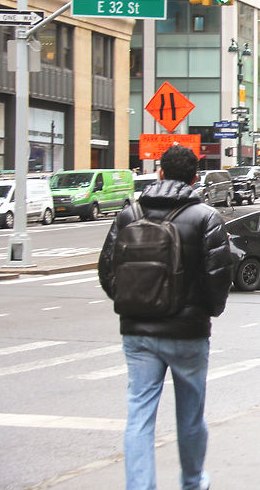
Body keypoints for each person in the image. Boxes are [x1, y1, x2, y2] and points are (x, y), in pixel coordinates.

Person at [97, 145, 232, 490]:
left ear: (159, 173)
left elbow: (107, 270)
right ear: (194, 177)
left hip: (137, 331)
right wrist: (207, 313)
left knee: (139, 416)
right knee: (190, 416)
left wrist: (132, 303)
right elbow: (218, 276)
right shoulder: (205, 217)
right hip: (188, 332)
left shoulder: (129, 214)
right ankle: (192, 482)